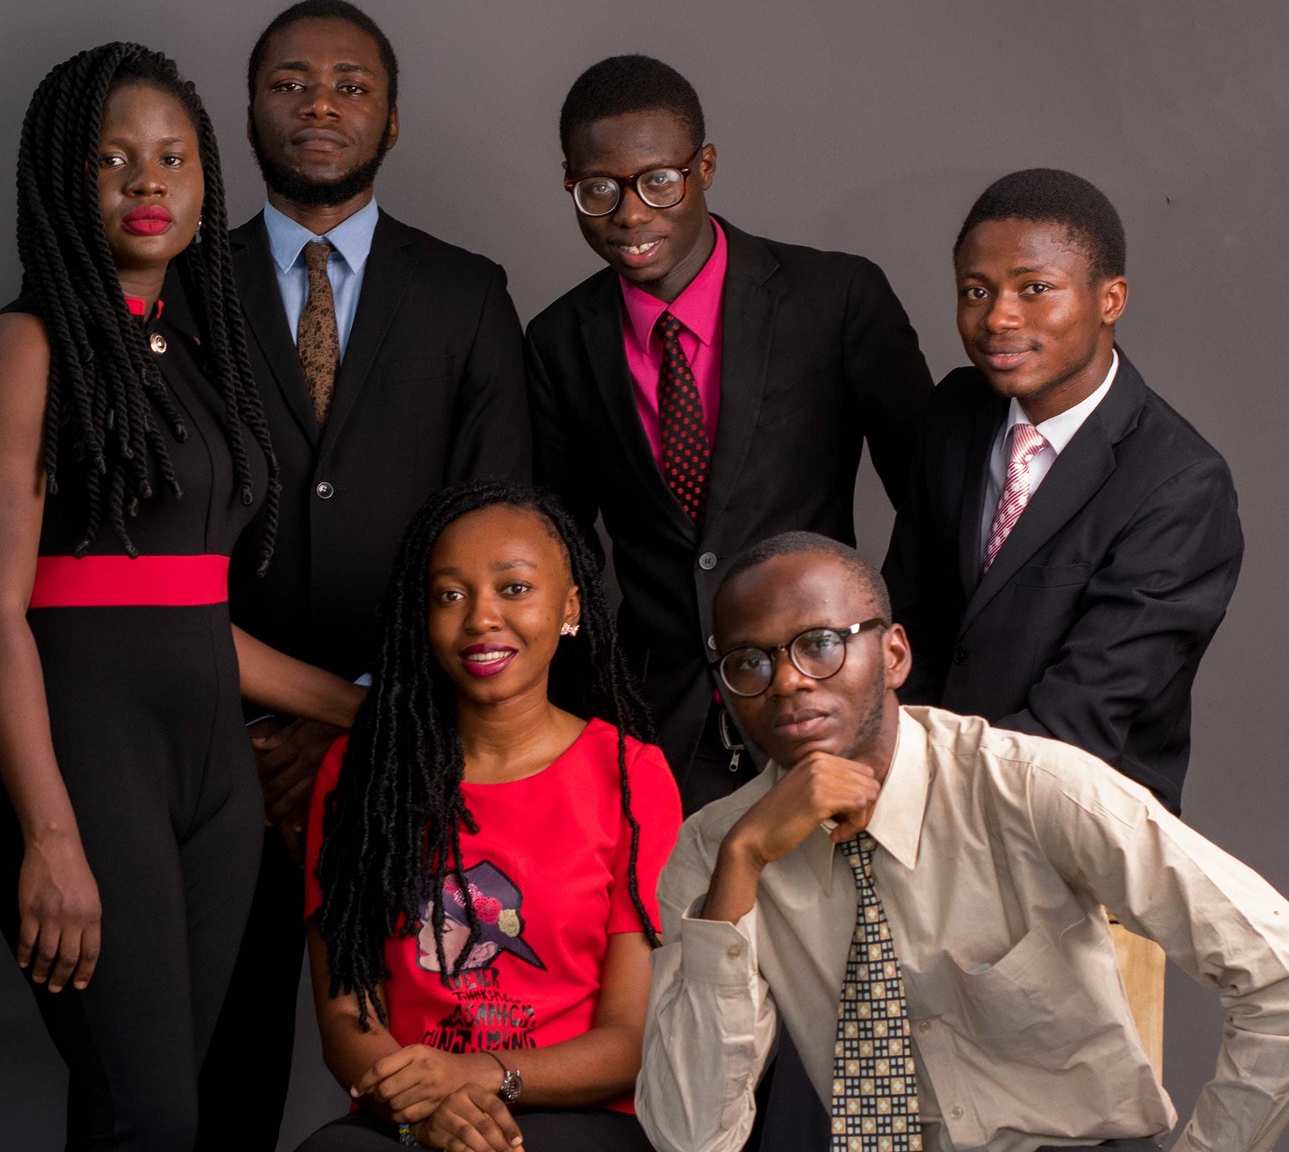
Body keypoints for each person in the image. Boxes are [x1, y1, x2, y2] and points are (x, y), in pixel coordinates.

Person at [0, 43, 364, 1151]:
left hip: (212, 781)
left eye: (172, 158)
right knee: (150, 1111)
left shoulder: (205, 357)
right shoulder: (21, 348)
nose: (147, 182)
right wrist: (48, 835)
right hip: (81, 772)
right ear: (59, 180)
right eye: (114, 160)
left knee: (165, 1102)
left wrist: (361, 710)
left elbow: (184, 618)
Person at [639, 531, 1289, 1152]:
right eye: (749, 661)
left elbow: (1276, 973)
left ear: (893, 655)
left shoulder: (1028, 788)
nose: (786, 681)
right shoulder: (716, 849)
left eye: (820, 644)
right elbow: (691, 1135)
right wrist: (742, 866)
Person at [212, 3, 535, 1138]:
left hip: (410, 734)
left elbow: (492, 535)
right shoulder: (186, 289)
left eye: (347, 83)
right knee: (219, 1059)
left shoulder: (465, 293)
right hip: (214, 743)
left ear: (391, 121)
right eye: (289, 82)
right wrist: (256, 718)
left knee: (441, 1036)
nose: (318, 103)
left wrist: (362, 721)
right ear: (247, 110)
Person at [526, 54, 933, 817]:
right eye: (597, 190)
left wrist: (872, 657)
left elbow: (931, 501)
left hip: (831, 701)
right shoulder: (558, 341)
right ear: (571, 185)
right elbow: (560, 549)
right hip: (662, 730)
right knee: (692, 932)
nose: (629, 214)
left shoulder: (834, 300)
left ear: (704, 166)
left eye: (658, 181)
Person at [298, 480, 678, 1152]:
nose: (480, 618)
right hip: (411, 1112)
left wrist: (479, 1076)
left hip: (577, 1110)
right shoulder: (361, 775)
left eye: (514, 589)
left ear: (570, 607)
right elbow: (344, 1015)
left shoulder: (630, 775)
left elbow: (631, 1037)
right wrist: (421, 1111)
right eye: (450, 595)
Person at [886, 168, 1241, 814]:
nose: (998, 317)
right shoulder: (955, 413)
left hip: (1078, 835)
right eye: (976, 290)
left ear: (1111, 299)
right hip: (924, 810)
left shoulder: (1181, 486)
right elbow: (909, 629)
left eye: (1035, 289)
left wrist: (918, 799)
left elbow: (1083, 716)